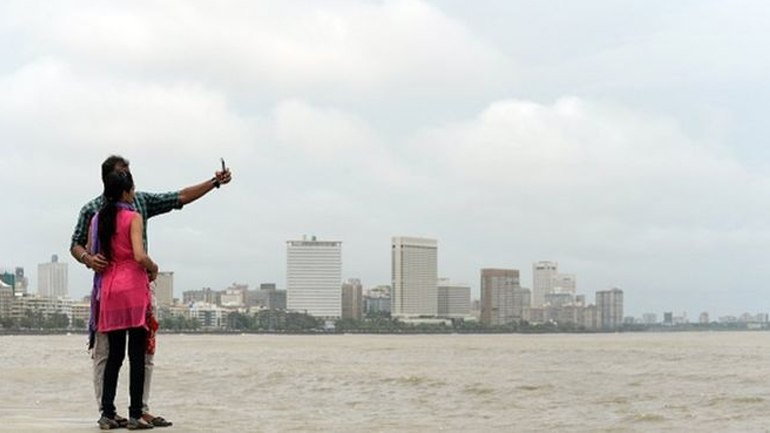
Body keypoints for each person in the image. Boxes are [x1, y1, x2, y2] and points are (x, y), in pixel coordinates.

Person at [70, 155, 232, 428]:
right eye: (124, 174)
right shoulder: (104, 210)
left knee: (135, 354)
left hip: (112, 288)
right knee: (111, 353)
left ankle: (123, 411)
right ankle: (121, 411)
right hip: (130, 286)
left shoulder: (131, 204)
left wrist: (214, 182)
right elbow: (77, 245)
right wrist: (88, 258)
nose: (130, 179)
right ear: (112, 179)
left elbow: (178, 197)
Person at [90, 170, 156, 429]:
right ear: (127, 192)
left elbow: (92, 252)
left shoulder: (97, 218)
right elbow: (139, 256)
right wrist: (154, 265)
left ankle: (107, 412)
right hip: (133, 289)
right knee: (136, 355)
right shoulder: (133, 217)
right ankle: (135, 414)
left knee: (114, 355)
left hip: (109, 289)